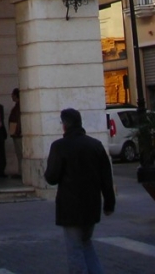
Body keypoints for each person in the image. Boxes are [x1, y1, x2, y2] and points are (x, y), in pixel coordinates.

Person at [44, 107, 115, 274]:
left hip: (70, 206)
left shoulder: (60, 147)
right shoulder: (95, 145)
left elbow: (52, 177)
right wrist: (109, 203)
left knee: (75, 248)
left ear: (65, 126)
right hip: (92, 205)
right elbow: (106, 178)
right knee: (86, 243)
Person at [9, 87, 22, 178]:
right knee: (18, 153)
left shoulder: (19, 106)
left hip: (18, 133)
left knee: (20, 153)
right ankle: (20, 171)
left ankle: (21, 172)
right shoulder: (17, 106)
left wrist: (17, 130)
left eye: (12, 95)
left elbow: (19, 119)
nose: (11, 96)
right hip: (15, 132)